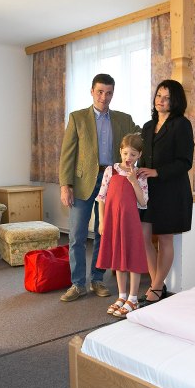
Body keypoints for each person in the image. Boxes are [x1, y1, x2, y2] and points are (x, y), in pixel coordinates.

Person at [58, 73, 140, 302]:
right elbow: (67, 155)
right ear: (92, 92)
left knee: (104, 233)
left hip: (112, 182)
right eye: (100, 92)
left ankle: (97, 279)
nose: (104, 97)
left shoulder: (124, 119)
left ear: (113, 93)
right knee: (77, 235)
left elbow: (141, 138)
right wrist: (65, 185)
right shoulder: (77, 118)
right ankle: (77, 284)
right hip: (83, 182)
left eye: (109, 93)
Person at [137, 79, 195, 304]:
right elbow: (143, 157)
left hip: (171, 190)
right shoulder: (147, 126)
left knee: (164, 239)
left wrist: (157, 172)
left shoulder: (182, 125)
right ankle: (157, 284)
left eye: (167, 97)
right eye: (159, 95)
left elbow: (185, 161)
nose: (160, 100)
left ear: (176, 101)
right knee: (144, 237)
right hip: (148, 192)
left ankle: (155, 287)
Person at [96, 133, 149, 318]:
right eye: (126, 153)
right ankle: (122, 296)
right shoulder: (111, 171)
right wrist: (102, 221)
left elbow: (143, 202)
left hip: (131, 223)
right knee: (118, 260)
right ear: (120, 151)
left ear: (139, 155)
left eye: (133, 154)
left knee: (132, 258)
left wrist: (133, 181)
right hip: (113, 222)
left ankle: (133, 299)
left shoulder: (139, 175)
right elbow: (101, 198)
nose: (128, 157)